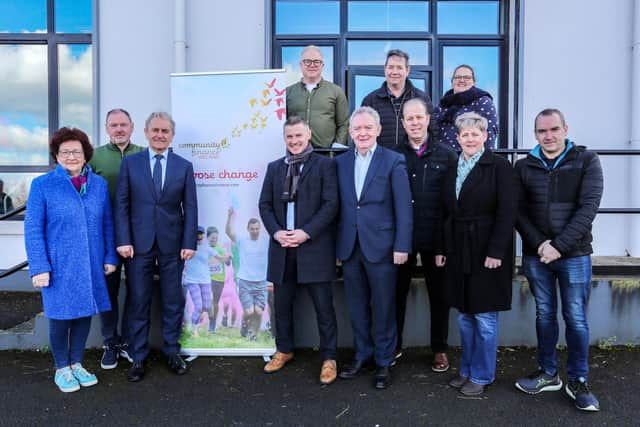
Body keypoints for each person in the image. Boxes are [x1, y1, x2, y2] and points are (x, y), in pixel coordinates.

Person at [514, 108, 604, 412]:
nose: (548, 136)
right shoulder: (523, 166)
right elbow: (518, 212)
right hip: (537, 254)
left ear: (565, 128)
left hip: (574, 254)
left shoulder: (586, 161)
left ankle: (578, 380)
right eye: (541, 131)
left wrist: (559, 247)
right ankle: (547, 373)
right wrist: (540, 243)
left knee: (576, 318)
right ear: (535, 134)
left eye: (553, 129)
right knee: (544, 314)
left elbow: (588, 207)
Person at [24, 127, 118, 393]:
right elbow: (32, 228)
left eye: (76, 151)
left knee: (84, 313)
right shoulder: (42, 185)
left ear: (86, 154)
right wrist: (39, 266)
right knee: (61, 316)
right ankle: (62, 368)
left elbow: (108, 223)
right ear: (56, 155)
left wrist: (110, 255)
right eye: (64, 151)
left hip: (91, 263)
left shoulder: (98, 185)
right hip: (58, 265)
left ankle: (77, 363)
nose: (71, 156)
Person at [434, 112, 517, 397]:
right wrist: (442, 249)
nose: (470, 138)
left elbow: (507, 213)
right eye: (464, 134)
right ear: (457, 139)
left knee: (484, 318)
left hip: (487, 251)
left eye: (475, 133)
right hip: (458, 250)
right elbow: (444, 214)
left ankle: (482, 374)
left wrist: (496, 251)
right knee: (464, 317)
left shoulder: (500, 167)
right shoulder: (451, 169)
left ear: (485, 136)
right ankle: (467, 370)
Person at [115, 111, 198, 382]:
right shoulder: (131, 164)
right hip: (138, 245)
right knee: (139, 300)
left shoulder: (183, 166)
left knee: (173, 300)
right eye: (155, 130)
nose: (160, 135)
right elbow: (122, 205)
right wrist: (124, 240)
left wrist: (188, 242)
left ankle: (172, 351)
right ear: (146, 133)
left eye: (165, 131)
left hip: (173, 245)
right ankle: (138, 357)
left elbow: (191, 208)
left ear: (172, 135)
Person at [336, 106, 413, 390]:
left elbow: (404, 209)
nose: (363, 133)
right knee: (356, 307)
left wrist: (402, 245)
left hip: (383, 247)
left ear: (378, 130)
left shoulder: (393, 161)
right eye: (357, 129)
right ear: (351, 132)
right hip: (350, 247)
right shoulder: (341, 162)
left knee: (383, 307)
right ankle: (363, 354)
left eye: (368, 127)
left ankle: (384, 361)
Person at [258, 116, 340, 384]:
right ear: (285, 138)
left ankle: (329, 358)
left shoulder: (325, 165)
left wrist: (306, 233)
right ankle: (284, 350)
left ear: (309, 135)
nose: (294, 141)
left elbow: (331, 205)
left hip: (313, 247)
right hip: (282, 248)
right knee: (281, 307)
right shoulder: (274, 168)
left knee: (324, 308)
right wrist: (277, 232)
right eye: (289, 136)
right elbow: (265, 205)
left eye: (299, 136)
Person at [394, 98, 457, 371]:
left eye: (419, 117)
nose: (415, 123)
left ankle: (440, 348)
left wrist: (444, 245)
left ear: (428, 119)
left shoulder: (446, 155)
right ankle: (393, 345)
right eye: (410, 118)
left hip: (436, 238)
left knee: (440, 295)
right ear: (403, 123)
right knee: (396, 293)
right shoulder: (393, 155)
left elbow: (451, 205)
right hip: (403, 239)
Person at [89, 108, 144, 369]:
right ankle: (111, 342)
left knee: (137, 291)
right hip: (106, 237)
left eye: (124, 124)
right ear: (106, 128)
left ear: (132, 127)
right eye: (114, 125)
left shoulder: (144, 154)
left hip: (139, 236)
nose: (119, 129)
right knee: (108, 292)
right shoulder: (95, 157)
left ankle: (131, 343)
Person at [361, 49, 433, 149]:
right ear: (385, 69)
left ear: (407, 70)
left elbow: (433, 131)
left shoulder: (422, 98)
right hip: (382, 161)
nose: (394, 72)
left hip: (414, 160)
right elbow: (363, 133)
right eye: (391, 67)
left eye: (399, 67)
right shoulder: (370, 100)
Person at [286, 45, 349, 148]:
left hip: (325, 154)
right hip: (296, 152)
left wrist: (338, 146)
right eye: (307, 61)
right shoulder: (288, 92)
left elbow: (343, 124)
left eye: (316, 61)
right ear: (301, 64)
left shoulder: (336, 91)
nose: (312, 65)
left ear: (322, 65)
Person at [225, 208, 269, 341]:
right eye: (252, 229)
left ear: (259, 229)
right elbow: (228, 232)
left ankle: (253, 334)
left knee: (259, 311)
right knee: (249, 311)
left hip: (261, 282)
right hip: (245, 281)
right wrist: (229, 216)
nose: (255, 231)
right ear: (248, 229)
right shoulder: (242, 240)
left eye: (257, 229)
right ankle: (244, 325)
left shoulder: (266, 241)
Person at [432, 64, 498, 151]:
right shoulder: (443, 104)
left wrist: (486, 159)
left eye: (466, 77)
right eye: (458, 77)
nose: (462, 80)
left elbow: (490, 133)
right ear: (452, 82)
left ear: (474, 82)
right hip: (444, 159)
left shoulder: (482, 101)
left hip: (470, 159)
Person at [184, 226, 214, 336]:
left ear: (203, 235)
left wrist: (227, 257)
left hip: (205, 280)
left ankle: (197, 318)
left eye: (200, 234)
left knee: (206, 306)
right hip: (192, 280)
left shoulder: (207, 248)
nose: (199, 236)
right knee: (198, 306)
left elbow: (219, 257)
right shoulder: (187, 247)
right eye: (197, 234)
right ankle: (194, 329)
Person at [206, 226, 231, 333]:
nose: (214, 240)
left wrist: (228, 258)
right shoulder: (205, 248)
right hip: (207, 279)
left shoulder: (221, 249)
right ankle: (210, 319)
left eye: (216, 238)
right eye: (212, 238)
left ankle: (213, 322)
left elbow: (228, 263)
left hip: (219, 280)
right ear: (207, 238)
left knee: (215, 302)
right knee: (209, 301)